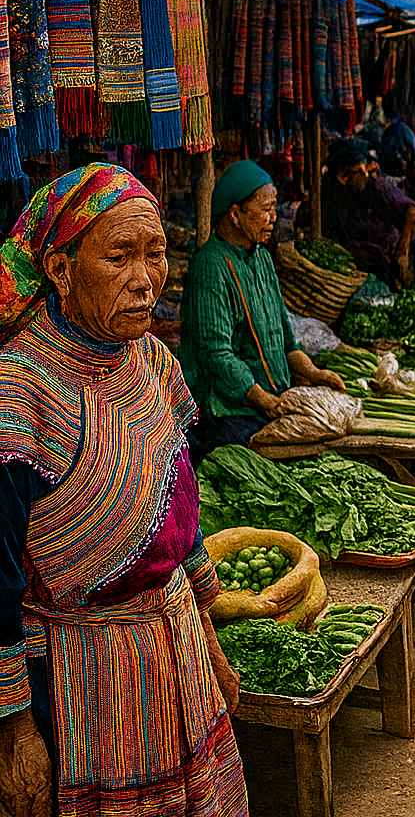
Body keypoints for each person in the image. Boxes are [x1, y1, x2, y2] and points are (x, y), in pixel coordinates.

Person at [0, 165, 247, 817]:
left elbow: (181, 512)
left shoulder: (153, 362)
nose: (145, 279)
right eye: (119, 257)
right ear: (60, 270)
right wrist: (14, 730)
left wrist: (208, 635)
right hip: (77, 684)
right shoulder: (18, 395)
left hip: (176, 651)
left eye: (155, 253)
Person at [182, 161, 347, 458]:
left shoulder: (262, 258)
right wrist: (260, 397)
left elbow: (286, 339)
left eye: (274, 208)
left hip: (269, 403)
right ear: (235, 214)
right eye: (266, 209)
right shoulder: (210, 266)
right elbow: (215, 352)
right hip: (230, 414)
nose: (274, 218)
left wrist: (313, 372)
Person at [321, 139, 415, 288]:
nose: (365, 175)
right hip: (355, 267)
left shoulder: (376, 185)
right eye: (359, 172)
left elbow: (411, 210)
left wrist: (402, 251)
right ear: (344, 175)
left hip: (388, 261)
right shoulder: (331, 194)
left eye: (365, 169)